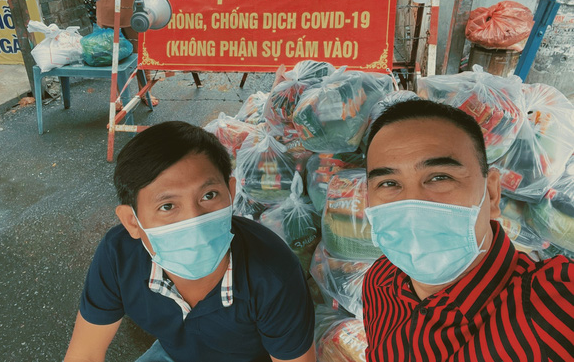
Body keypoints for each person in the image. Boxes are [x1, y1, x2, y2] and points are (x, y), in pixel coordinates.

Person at [64, 121, 316, 362]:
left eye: (209, 195)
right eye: (167, 206)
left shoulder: (274, 274)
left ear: (231, 192)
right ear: (132, 222)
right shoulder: (119, 256)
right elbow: (85, 355)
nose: (194, 221)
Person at [361, 99, 574, 361]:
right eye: (388, 183)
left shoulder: (551, 311)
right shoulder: (378, 281)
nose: (412, 205)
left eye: (440, 177)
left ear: (492, 193)